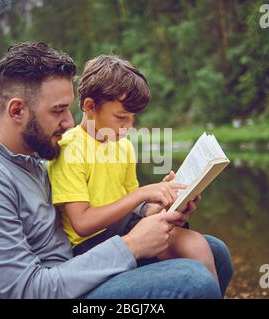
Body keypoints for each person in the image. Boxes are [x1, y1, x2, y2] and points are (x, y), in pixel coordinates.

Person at [0, 42, 233, 298]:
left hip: (72, 273)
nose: (70, 121)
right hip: (53, 290)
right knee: (192, 281)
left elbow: (95, 209)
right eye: (57, 110)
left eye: (69, 108)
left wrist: (151, 211)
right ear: (17, 111)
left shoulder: (34, 157)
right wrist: (131, 246)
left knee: (215, 253)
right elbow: (29, 291)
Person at [47, 55, 219, 283]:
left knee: (210, 248)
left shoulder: (123, 146)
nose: (128, 127)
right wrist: (142, 193)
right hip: (91, 249)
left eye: (132, 118)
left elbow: (133, 208)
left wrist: (161, 204)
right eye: (121, 117)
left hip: (124, 230)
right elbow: (82, 224)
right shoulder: (69, 149)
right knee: (194, 246)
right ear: (90, 107)